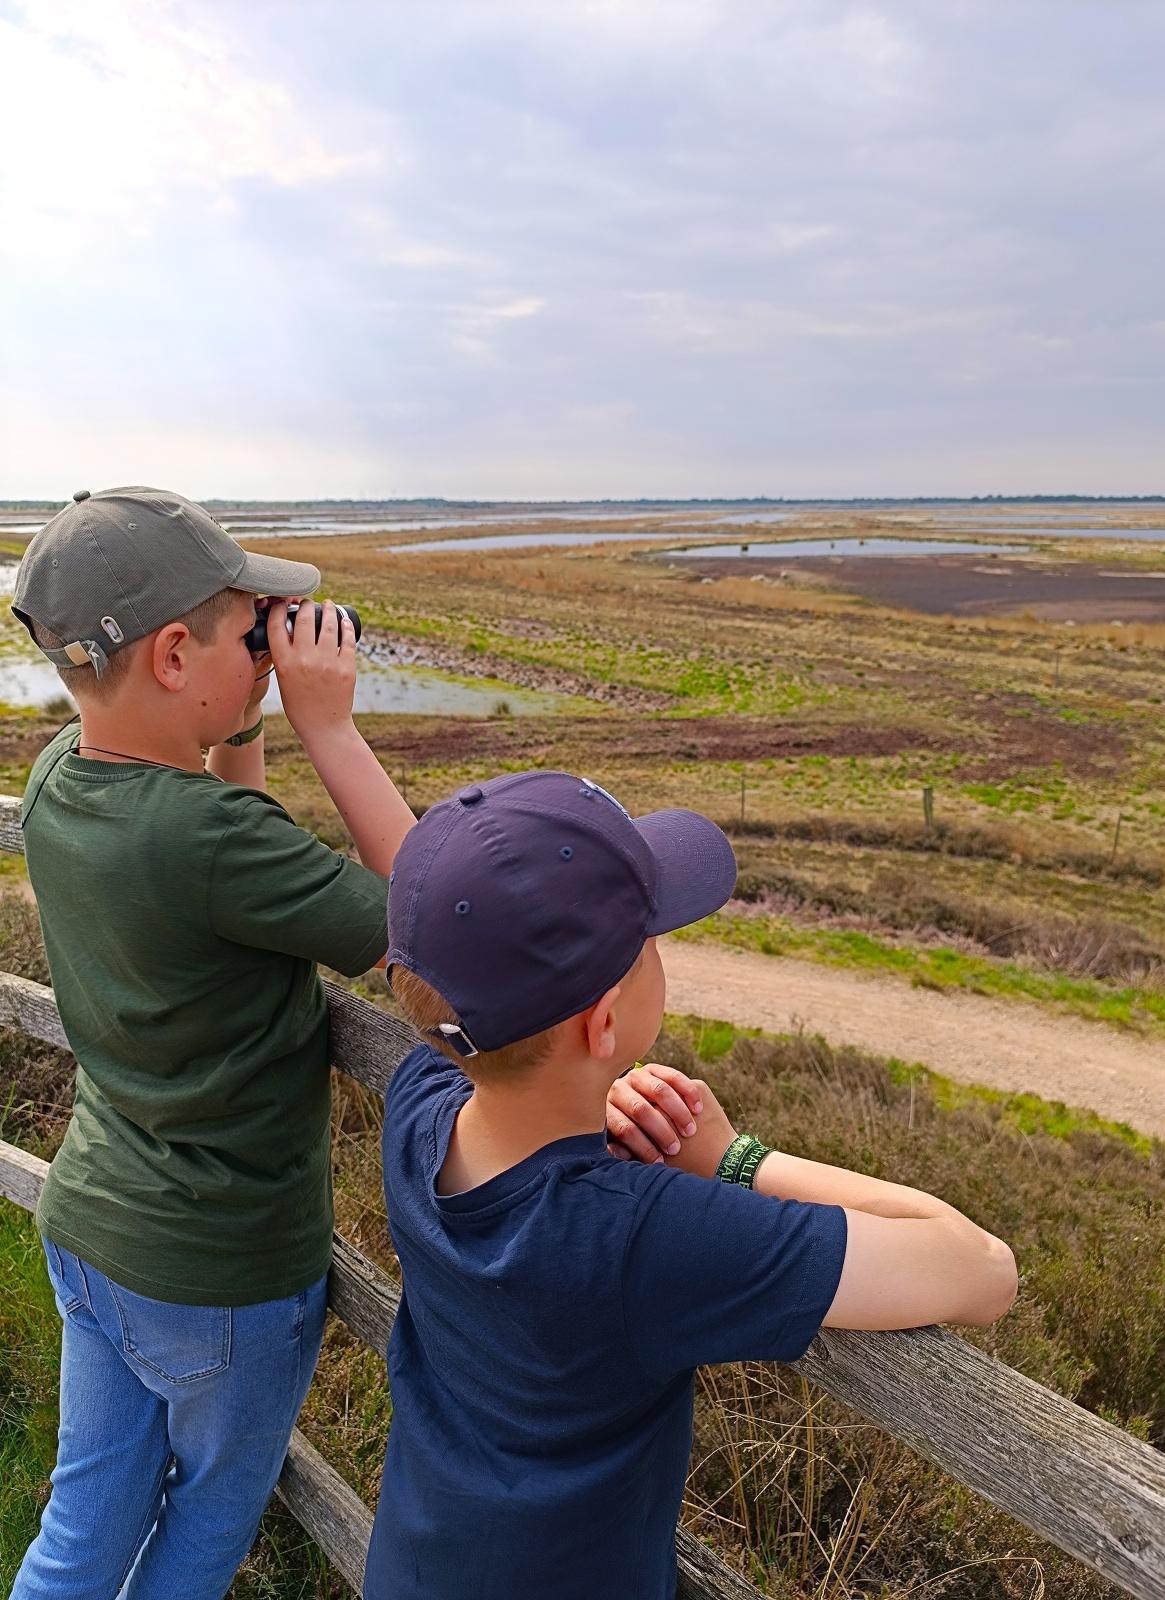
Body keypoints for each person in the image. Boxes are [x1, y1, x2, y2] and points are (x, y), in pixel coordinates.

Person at [366, 771, 1019, 1599]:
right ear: (602, 1023)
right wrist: (729, 1158)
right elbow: (982, 1270)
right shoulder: (643, 1235)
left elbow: (452, 1001)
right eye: (651, 939)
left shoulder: (418, 1110)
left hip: (415, 1569)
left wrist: (586, 1093)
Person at [9, 486, 417, 1599]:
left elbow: (212, 822)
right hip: (222, 1272)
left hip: (96, 1228)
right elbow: (436, 921)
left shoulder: (61, 780)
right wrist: (329, 727)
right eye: (253, 632)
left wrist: (238, 714)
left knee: (84, 1527)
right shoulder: (214, 840)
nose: (271, 652)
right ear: (177, 653)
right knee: (202, 1530)